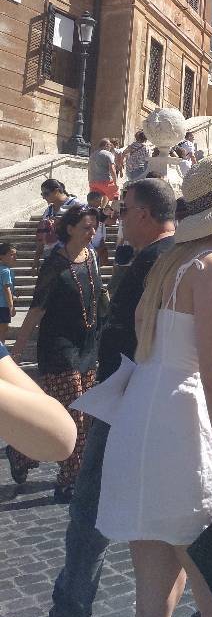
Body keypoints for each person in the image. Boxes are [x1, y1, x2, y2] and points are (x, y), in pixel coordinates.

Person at [95, 156, 212, 617]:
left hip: (140, 434)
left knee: (153, 608)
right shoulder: (211, 267)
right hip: (185, 443)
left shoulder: (166, 265)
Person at [7, 206, 104, 500]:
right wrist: (17, 351)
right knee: (74, 414)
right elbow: (37, 309)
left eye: (94, 229)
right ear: (70, 228)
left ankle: (21, 451)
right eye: (86, 228)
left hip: (87, 344)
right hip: (58, 347)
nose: (92, 234)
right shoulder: (54, 263)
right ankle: (68, 479)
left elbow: (99, 300)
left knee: (80, 413)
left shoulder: (92, 260)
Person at [33, 180, 84, 273]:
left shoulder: (76, 204)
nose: (44, 197)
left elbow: (85, 226)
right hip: (51, 255)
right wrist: (36, 258)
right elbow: (42, 236)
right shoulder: (48, 211)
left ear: (56, 191)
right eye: (42, 194)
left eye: (46, 194)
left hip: (71, 254)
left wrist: (62, 222)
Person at [0, 242, 16, 344]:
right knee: (2, 331)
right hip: (3, 306)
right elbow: (7, 289)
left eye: (15, 255)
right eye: (11, 254)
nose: (14, 257)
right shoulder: (6, 271)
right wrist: (11, 307)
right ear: (1, 256)